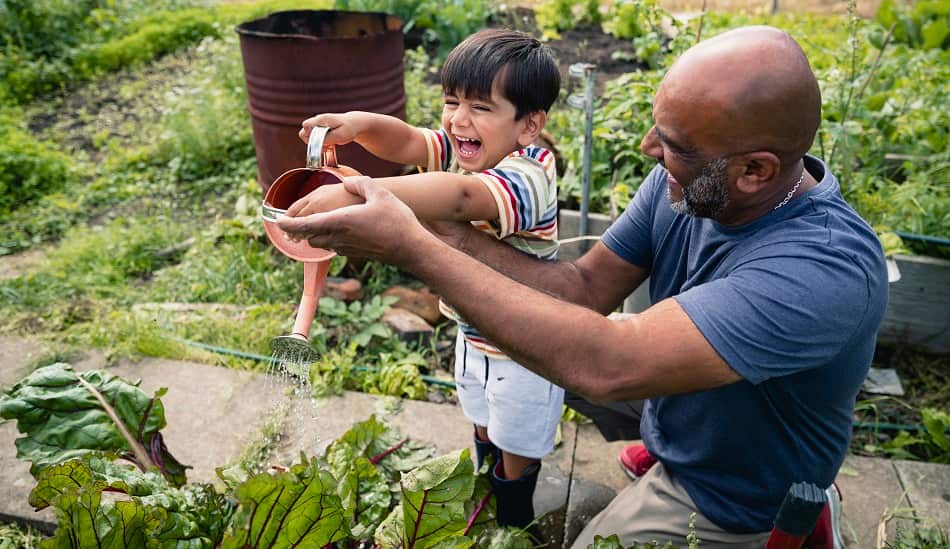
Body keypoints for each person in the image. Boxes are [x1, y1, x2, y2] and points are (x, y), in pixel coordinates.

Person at [278, 25, 889, 548]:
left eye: (673, 146)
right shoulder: (686, 183)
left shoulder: (822, 269)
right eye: (658, 129)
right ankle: (664, 437)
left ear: (755, 170)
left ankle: (799, 520)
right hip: (670, 388)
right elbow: (580, 291)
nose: (649, 152)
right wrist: (445, 234)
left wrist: (410, 242)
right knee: (561, 350)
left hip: (736, 489)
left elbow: (607, 365)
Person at [284, 29, 562, 530]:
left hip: (528, 346)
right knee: (480, 416)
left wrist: (356, 194)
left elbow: (461, 198)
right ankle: (484, 489)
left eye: (480, 107)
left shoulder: (530, 173)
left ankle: (517, 519)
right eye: (451, 102)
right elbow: (410, 140)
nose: (458, 119)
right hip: (472, 333)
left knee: (517, 440)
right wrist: (358, 126)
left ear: (528, 125)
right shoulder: (464, 149)